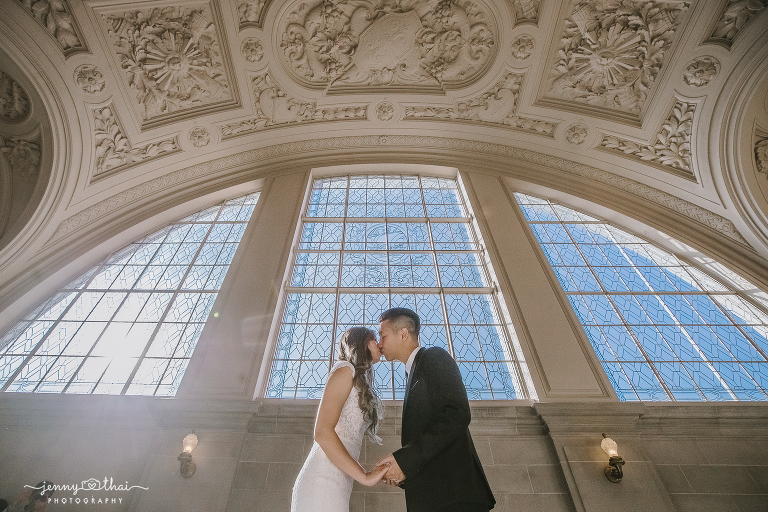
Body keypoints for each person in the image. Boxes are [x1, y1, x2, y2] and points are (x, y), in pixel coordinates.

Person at [375, 308, 495, 512]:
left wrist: (405, 461)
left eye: (382, 335)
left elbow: (456, 413)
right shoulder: (412, 373)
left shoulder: (434, 356)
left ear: (403, 334)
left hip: (455, 497)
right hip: (436, 498)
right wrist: (402, 470)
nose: (379, 343)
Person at [291, 327, 390, 512]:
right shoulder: (346, 369)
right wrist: (365, 476)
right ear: (361, 343)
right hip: (322, 479)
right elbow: (322, 432)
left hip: (340, 483)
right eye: (374, 339)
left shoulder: (357, 379)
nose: (379, 344)